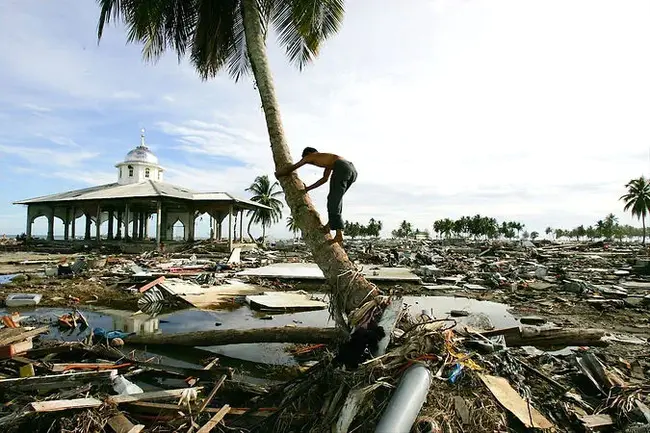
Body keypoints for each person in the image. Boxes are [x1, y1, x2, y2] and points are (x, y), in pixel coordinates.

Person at [275, 147, 357, 244]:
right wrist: (308, 188)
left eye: (309, 162)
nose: (310, 163)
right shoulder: (329, 160)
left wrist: (279, 173)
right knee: (336, 199)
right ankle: (330, 225)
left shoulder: (311, 156)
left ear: (309, 153)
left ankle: (339, 234)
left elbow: (294, 167)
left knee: (333, 199)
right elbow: (324, 179)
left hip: (342, 167)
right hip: (352, 171)